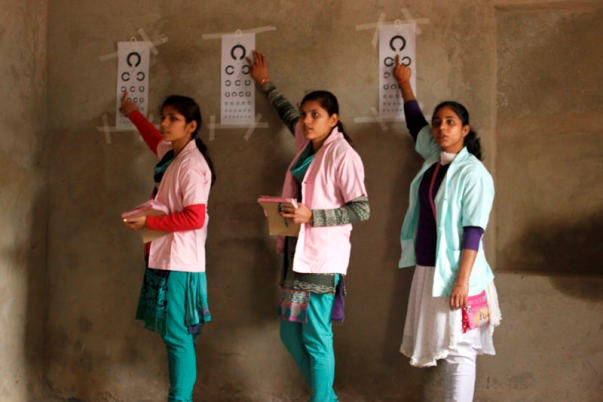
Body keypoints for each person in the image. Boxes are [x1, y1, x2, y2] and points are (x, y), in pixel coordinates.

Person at [248, 51, 370, 402]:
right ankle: (328, 397)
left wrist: (312, 217)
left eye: (316, 114)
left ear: (334, 119)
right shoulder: (306, 145)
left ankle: (322, 400)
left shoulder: (343, 155)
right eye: (306, 114)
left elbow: (361, 209)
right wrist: (266, 83)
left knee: (317, 338)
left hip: (320, 261)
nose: (307, 119)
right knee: (290, 334)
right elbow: (288, 115)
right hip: (294, 254)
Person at [393, 57, 501, 402]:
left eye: (450, 122)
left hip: (460, 274)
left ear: (465, 130)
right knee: (447, 345)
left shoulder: (474, 173)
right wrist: (404, 84)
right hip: (431, 269)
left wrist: (462, 281)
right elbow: (415, 127)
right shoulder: (434, 160)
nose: (441, 128)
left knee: (460, 349)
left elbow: (474, 230)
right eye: (438, 123)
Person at [120, 92, 216, 402]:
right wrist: (133, 114)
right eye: (163, 117)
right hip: (164, 258)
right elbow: (153, 139)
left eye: (173, 119)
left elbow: (194, 217)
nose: (164, 123)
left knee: (178, 337)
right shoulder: (172, 154)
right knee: (173, 335)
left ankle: (180, 399)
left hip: (180, 262)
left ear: (192, 126)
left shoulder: (191, 165)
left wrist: (149, 224)